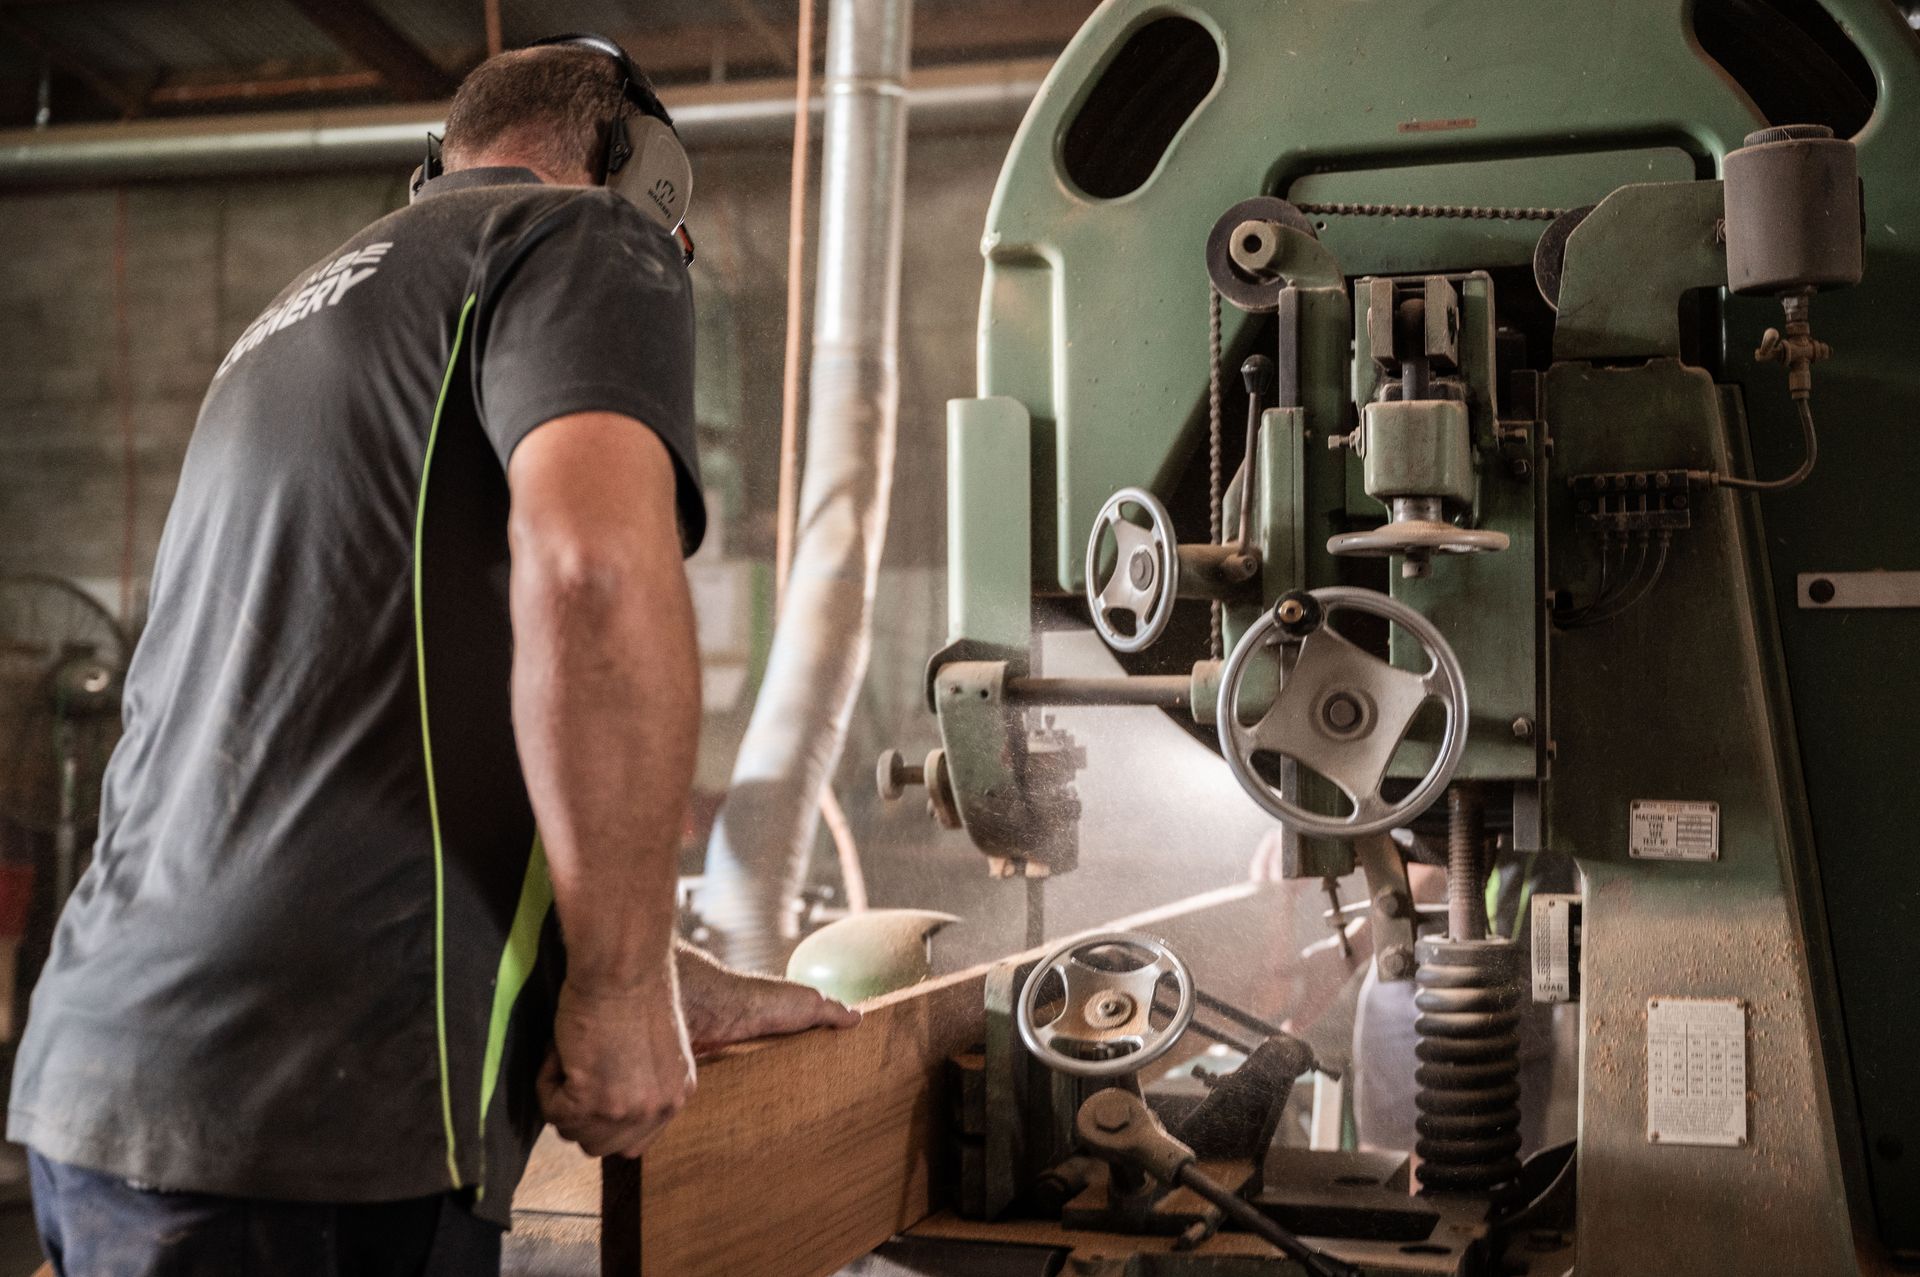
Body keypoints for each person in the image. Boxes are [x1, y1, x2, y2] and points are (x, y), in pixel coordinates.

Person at [9, 37, 857, 1276]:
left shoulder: (289, 322)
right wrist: (616, 997)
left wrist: (656, 971)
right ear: (646, 171)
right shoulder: (581, 236)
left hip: (106, 1081)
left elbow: (337, 735)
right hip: (317, 1110)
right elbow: (594, 576)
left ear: (431, 166)